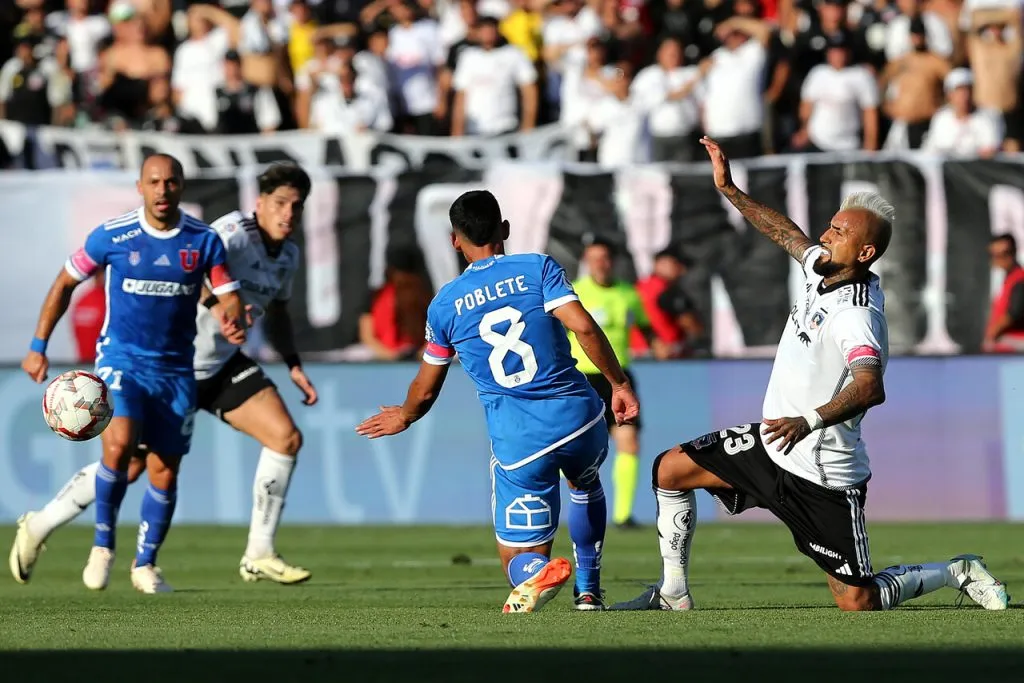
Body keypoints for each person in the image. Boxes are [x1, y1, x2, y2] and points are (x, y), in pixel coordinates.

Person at [611, 137, 1009, 613]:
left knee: (857, 602)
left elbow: (870, 386)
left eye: (839, 231)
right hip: (773, 443)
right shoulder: (821, 265)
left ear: (864, 253)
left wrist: (809, 421)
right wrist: (730, 189)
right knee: (670, 469)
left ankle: (956, 571)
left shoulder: (857, 316)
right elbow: (785, 233)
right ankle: (673, 592)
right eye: (831, 224)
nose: (827, 234)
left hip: (824, 471)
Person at [10, 163, 317, 587]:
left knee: (285, 438)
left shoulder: (289, 255)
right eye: (281, 203)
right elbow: (200, 276)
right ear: (260, 202)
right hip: (173, 360)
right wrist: (221, 309)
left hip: (220, 364)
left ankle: (257, 552)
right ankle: (47, 526)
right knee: (127, 462)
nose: (288, 214)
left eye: (297, 207)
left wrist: (293, 364)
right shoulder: (226, 233)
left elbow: (275, 312)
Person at [356, 190, 640, 612]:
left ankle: (535, 574)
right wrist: (617, 384)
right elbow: (584, 328)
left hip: (519, 439)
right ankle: (588, 589)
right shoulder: (538, 268)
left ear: (455, 240)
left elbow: (427, 385)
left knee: (518, 557)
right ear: (504, 229)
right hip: (579, 416)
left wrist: (407, 415)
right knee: (586, 484)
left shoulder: (446, 305)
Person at [570, 239, 661, 530]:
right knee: (572, 449)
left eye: (605, 257)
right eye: (595, 258)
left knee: (629, 442)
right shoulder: (575, 292)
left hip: (619, 378)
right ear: (587, 260)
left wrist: (659, 345)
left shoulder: (628, 294)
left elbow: (645, 329)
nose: (601, 263)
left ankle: (623, 515)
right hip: (582, 378)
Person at [984, 233, 1024, 352]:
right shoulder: (1009, 279)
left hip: (1015, 342)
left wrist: (992, 333)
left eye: (1000, 254)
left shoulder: (1020, 279)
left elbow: (1013, 313)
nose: (995, 259)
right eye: (993, 255)